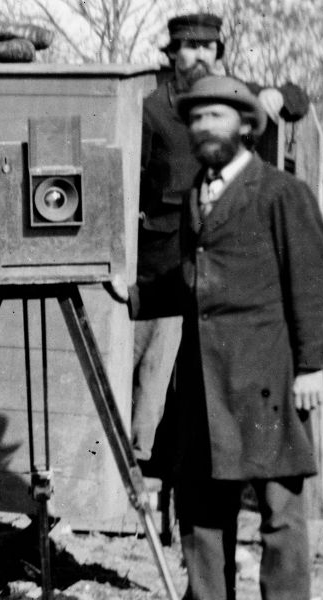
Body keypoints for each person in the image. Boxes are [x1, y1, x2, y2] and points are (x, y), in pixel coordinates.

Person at [114, 76, 323, 600]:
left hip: (267, 374)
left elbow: (315, 284)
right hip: (203, 376)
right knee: (200, 502)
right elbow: (194, 278)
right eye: (195, 119)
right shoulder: (197, 193)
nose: (204, 127)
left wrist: (310, 365)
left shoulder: (281, 193)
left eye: (216, 116)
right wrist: (135, 296)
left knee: (279, 506)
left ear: (245, 125)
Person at [133, 12, 310, 469]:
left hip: (224, 268)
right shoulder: (151, 109)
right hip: (164, 265)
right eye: (189, 47)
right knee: (153, 379)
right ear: (172, 54)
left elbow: (298, 98)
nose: (199, 57)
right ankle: (148, 468)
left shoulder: (234, 97)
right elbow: (134, 184)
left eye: (207, 47)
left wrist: (276, 94)